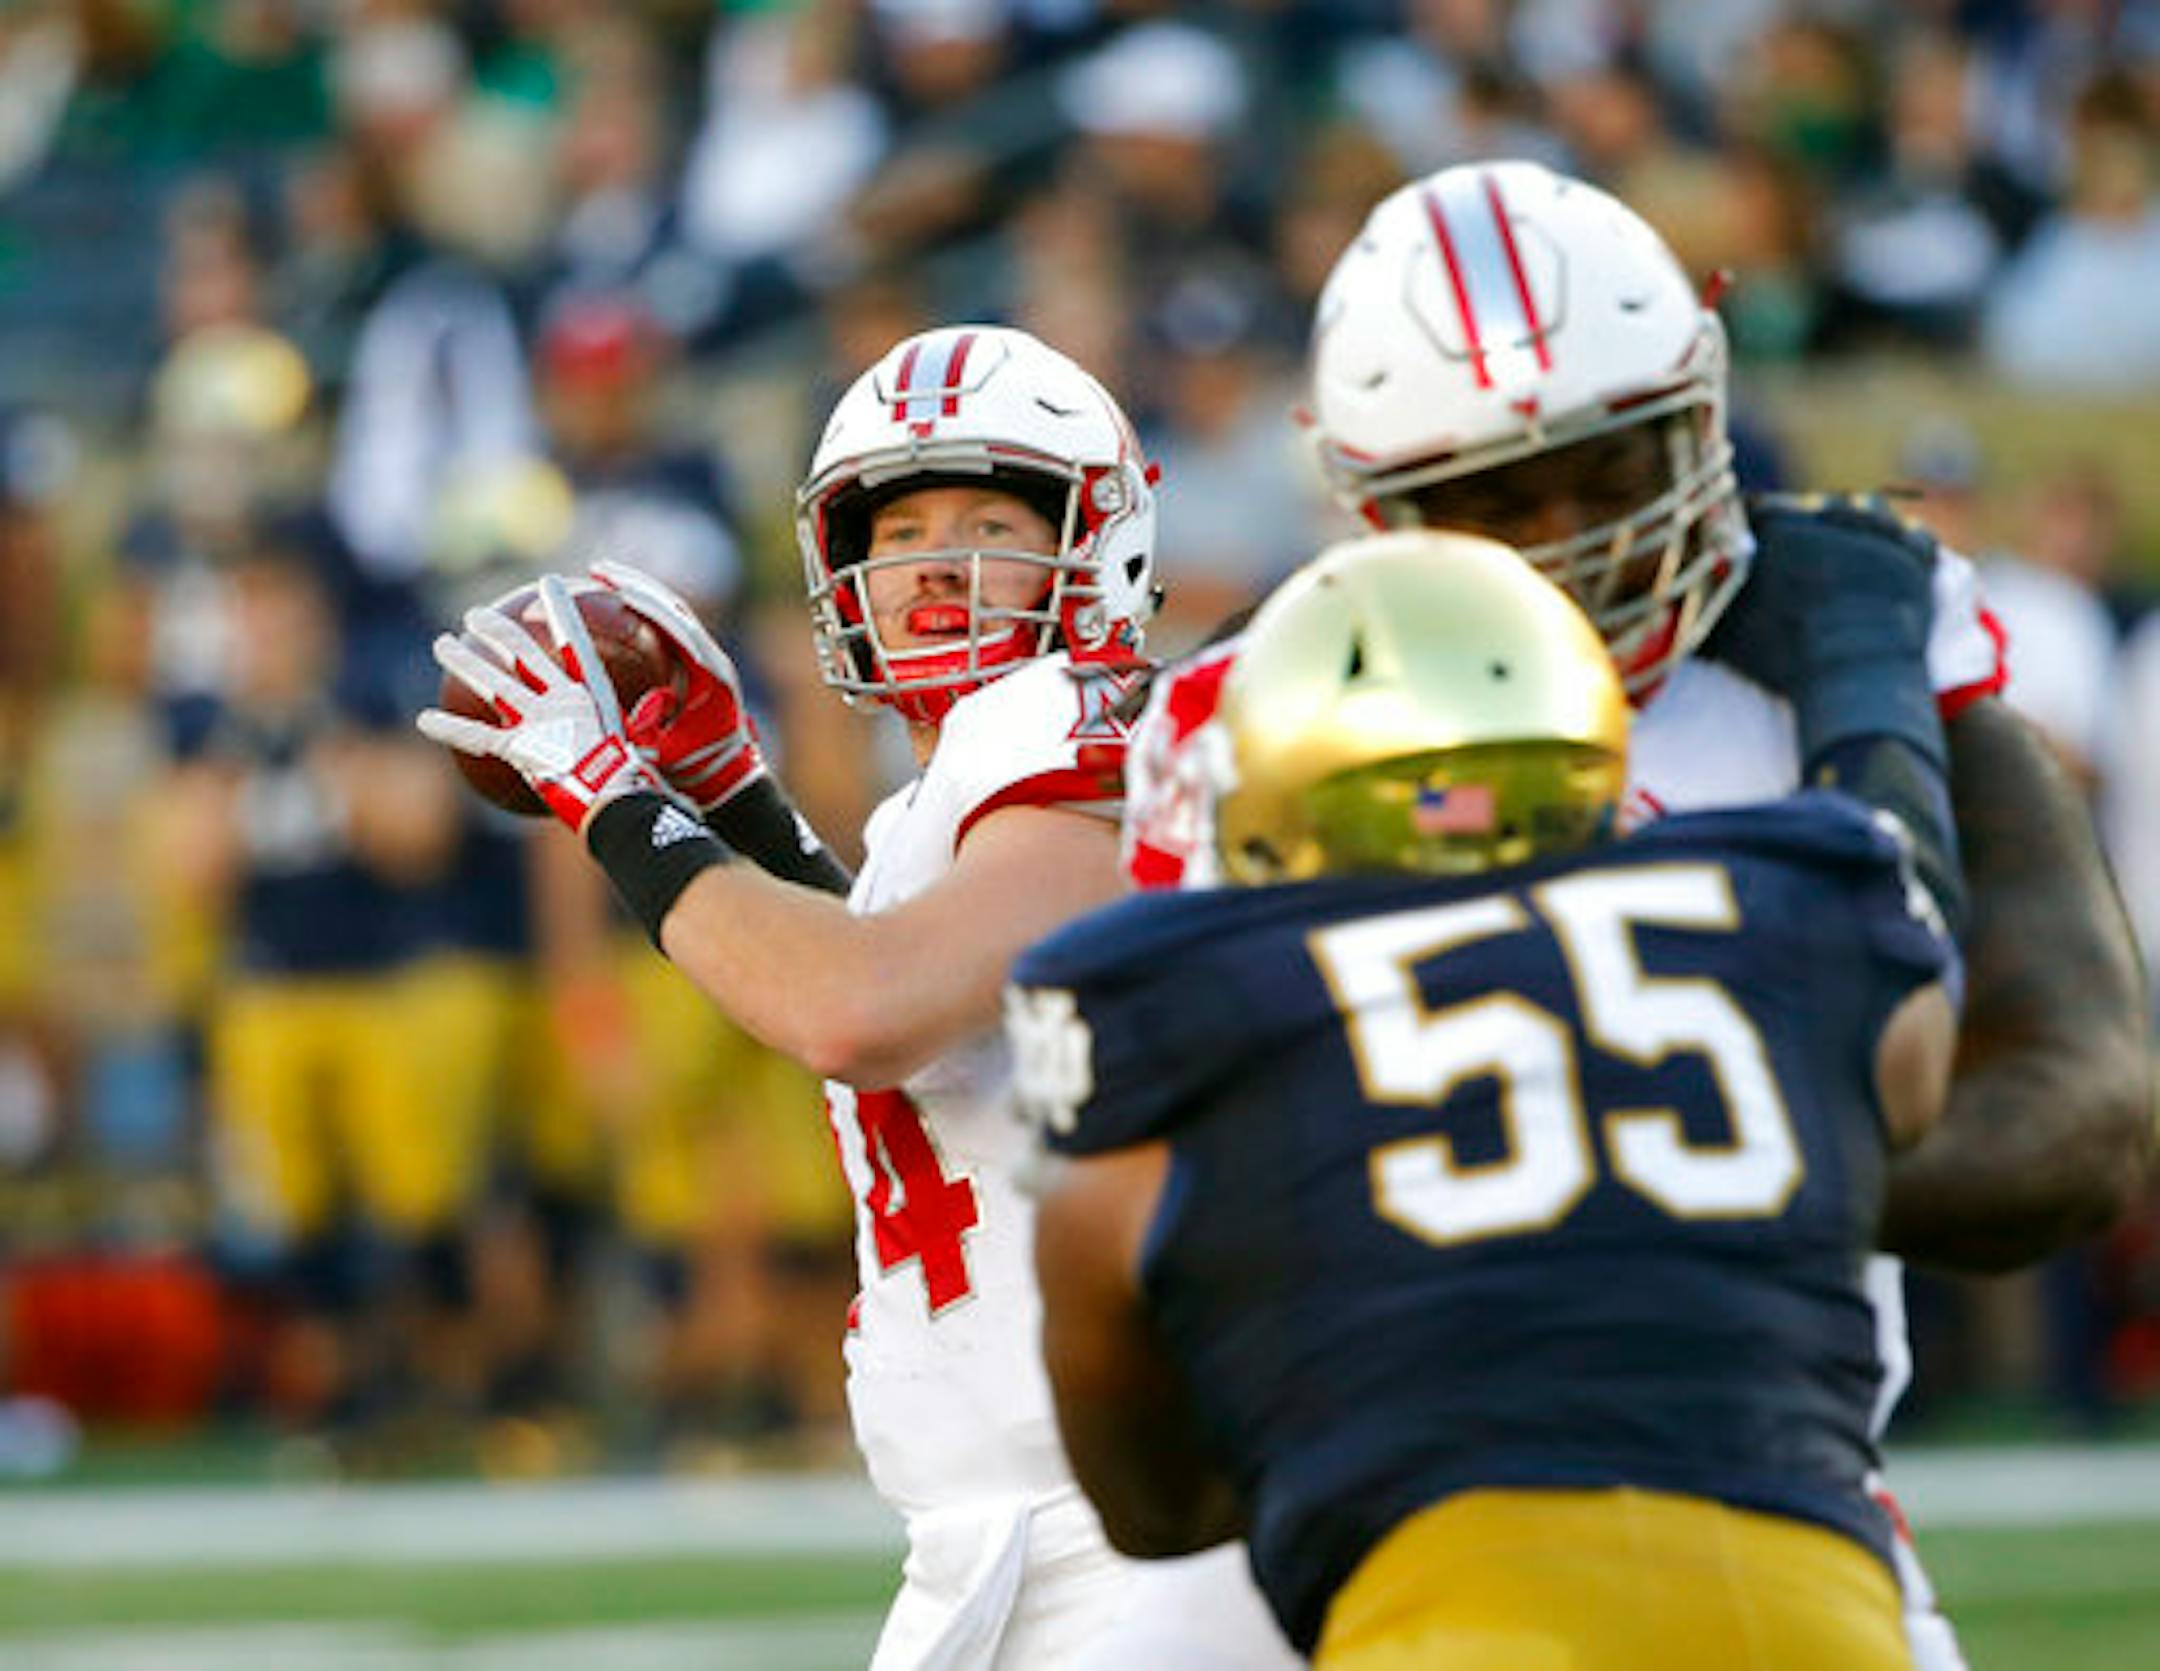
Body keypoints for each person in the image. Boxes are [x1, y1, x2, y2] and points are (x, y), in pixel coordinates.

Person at [1121, 159, 2151, 1669]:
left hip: (1761, 1468)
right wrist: (1687, 1145)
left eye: (1613, 467)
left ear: (1705, 404)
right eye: (1491, 496)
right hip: (1361, 1503)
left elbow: (2081, 1110)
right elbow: (1164, 1209)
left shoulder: (1856, 633)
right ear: (1362, 495)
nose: (1567, 536)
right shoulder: (1249, 714)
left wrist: (1565, 1166)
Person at [1013, 529, 1964, 1670]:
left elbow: (1154, 1510)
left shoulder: (1187, 1003)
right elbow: (1916, 1045)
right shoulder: (1782, 908)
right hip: (1818, 1611)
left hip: (1455, 1624)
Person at [419, 324, 1185, 1665]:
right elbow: (915, 1014)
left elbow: (863, 1008)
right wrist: (731, 795)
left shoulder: (1079, 720)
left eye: (994, 519)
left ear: (1094, 540)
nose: (938, 563)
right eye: (898, 533)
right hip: (1022, 1519)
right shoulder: (936, 805)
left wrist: (615, 799)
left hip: (1128, 1526)